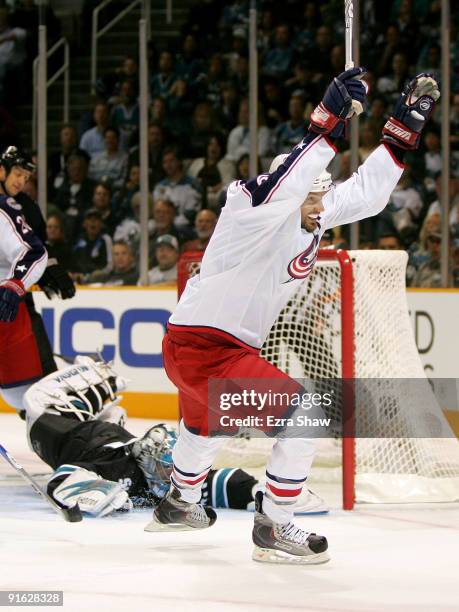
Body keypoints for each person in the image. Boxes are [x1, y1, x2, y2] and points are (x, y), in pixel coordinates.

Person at [149, 71, 440, 565]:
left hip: (202, 349)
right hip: (208, 348)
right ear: (292, 186)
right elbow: (290, 182)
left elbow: (366, 196)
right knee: (306, 416)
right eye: (309, 196)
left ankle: (181, 499)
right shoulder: (249, 203)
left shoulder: (314, 209)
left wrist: (401, 127)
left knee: (205, 424)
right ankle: (276, 523)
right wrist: (324, 123)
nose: (317, 208)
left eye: (321, 196)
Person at [22, 357, 325, 518]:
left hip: (57, 429)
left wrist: (268, 496)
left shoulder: (176, 479)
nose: (173, 470)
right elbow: (64, 479)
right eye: (166, 463)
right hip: (90, 430)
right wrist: (100, 492)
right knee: (84, 380)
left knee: (30, 402)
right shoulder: (131, 468)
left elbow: (226, 482)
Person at [0, 147, 48, 413]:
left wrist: (16, 284)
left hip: (10, 305)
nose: (20, 181)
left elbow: (37, 250)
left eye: (25, 177)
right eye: (17, 174)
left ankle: (56, 428)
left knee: (27, 391)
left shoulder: (15, 206)